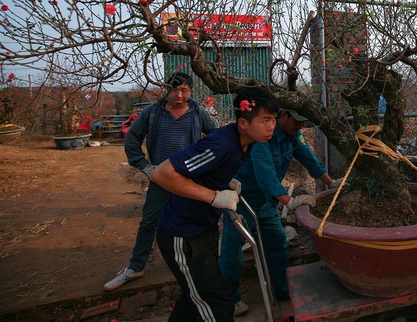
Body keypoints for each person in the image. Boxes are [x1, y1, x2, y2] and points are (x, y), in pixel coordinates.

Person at [149, 86, 280, 321]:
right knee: (217, 306)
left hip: (202, 229)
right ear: (243, 123)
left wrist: (222, 182)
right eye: (265, 120)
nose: (272, 126)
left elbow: (204, 171)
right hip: (183, 235)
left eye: (274, 119)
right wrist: (214, 196)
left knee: (195, 300)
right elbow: (161, 174)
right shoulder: (220, 144)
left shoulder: (246, 143)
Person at [104, 72, 218, 291]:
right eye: (174, 89)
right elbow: (132, 140)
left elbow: (215, 138)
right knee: (149, 222)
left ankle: (194, 263)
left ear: (190, 90)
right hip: (161, 179)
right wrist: (146, 167)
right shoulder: (153, 113)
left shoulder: (197, 113)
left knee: (196, 221)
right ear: (166, 89)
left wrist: (205, 165)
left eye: (184, 90)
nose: (178, 94)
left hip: (188, 178)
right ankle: (136, 266)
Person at [219, 108, 336, 313]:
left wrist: (332, 182)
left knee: (277, 242)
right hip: (241, 201)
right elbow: (266, 177)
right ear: (283, 116)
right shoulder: (262, 139)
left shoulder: (292, 136)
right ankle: (230, 299)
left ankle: (282, 288)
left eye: (302, 122)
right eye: (296, 121)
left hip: (266, 203)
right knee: (232, 251)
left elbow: (308, 158)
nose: (299, 125)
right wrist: (290, 202)